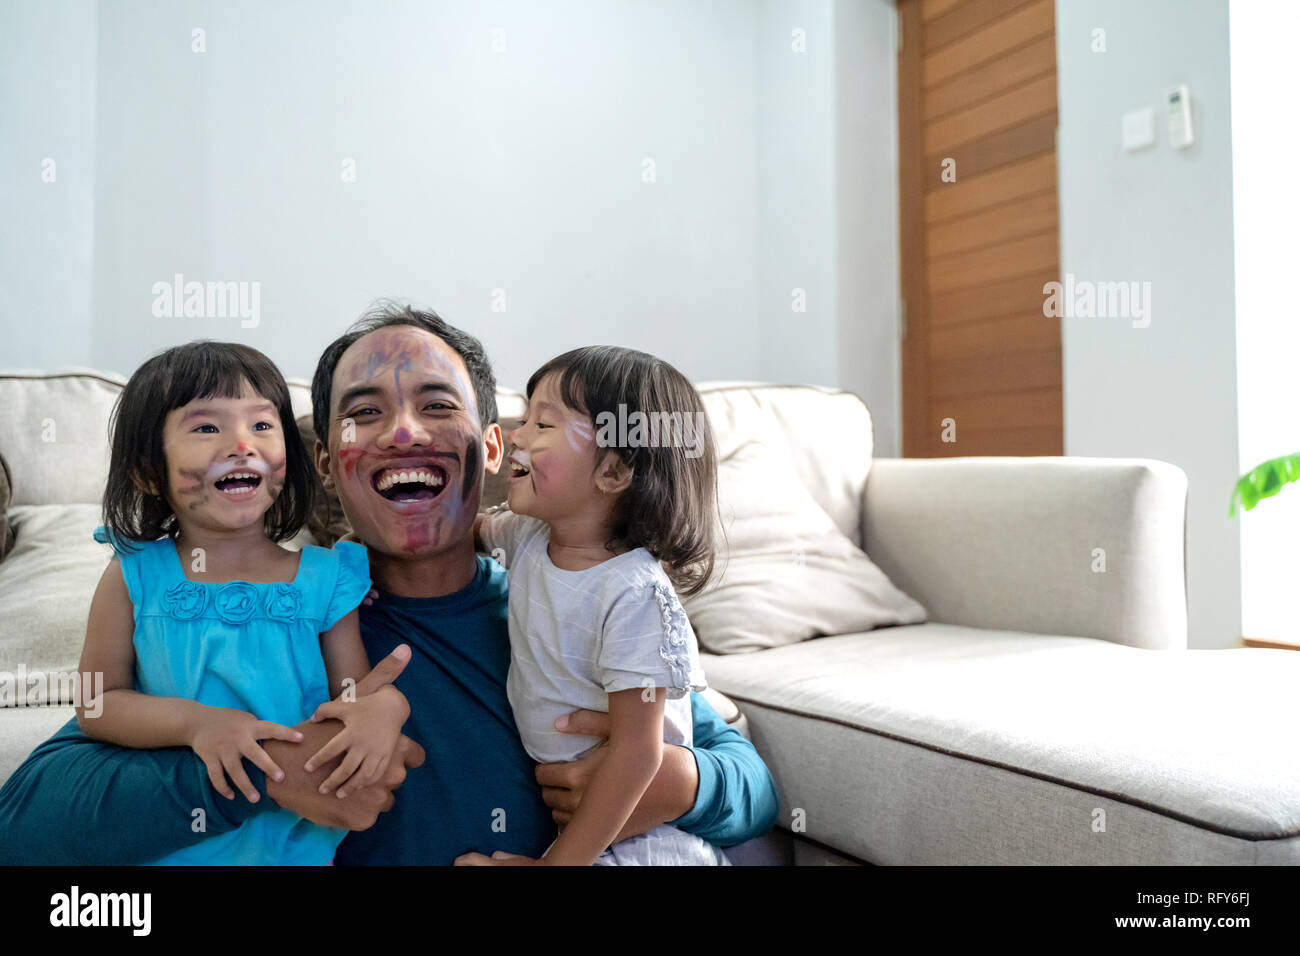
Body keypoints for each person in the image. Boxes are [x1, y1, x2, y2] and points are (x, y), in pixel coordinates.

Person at [0, 303, 778, 865]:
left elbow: (751, 785)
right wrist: (264, 779)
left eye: (438, 406)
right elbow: (27, 821)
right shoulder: (270, 614)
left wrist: (690, 784)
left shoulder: (570, 593)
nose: (404, 433)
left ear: (493, 447)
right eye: (365, 413)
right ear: (330, 467)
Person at [76, 341, 409, 864]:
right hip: (172, 839)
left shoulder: (323, 578)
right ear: (147, 469)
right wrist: (198, 724)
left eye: (261, 425)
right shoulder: (135, 574)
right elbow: (97, 704)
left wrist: (385, 707)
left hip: (298, 840)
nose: (240, 444)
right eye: (207, 427)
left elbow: (352, 693)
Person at [464, 346, 727, 865]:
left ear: (612, 471)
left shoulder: (635, 594)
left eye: (543, 424)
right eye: (524, 418)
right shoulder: (528, 537)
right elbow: (453, 534)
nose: (516, 436)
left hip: (646, 841)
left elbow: (637, 753)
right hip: (585, 832)